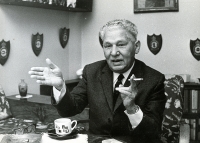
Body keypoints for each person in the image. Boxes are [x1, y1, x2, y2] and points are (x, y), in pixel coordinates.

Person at [29, 19, 166, 143]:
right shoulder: (92, 71)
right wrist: (60, 87)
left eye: (121, 45)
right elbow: (69, 110)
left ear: (136, 47)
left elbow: (152, 135)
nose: (113, 53)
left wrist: (132, 108)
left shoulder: (154, 79)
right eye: (107, 46)